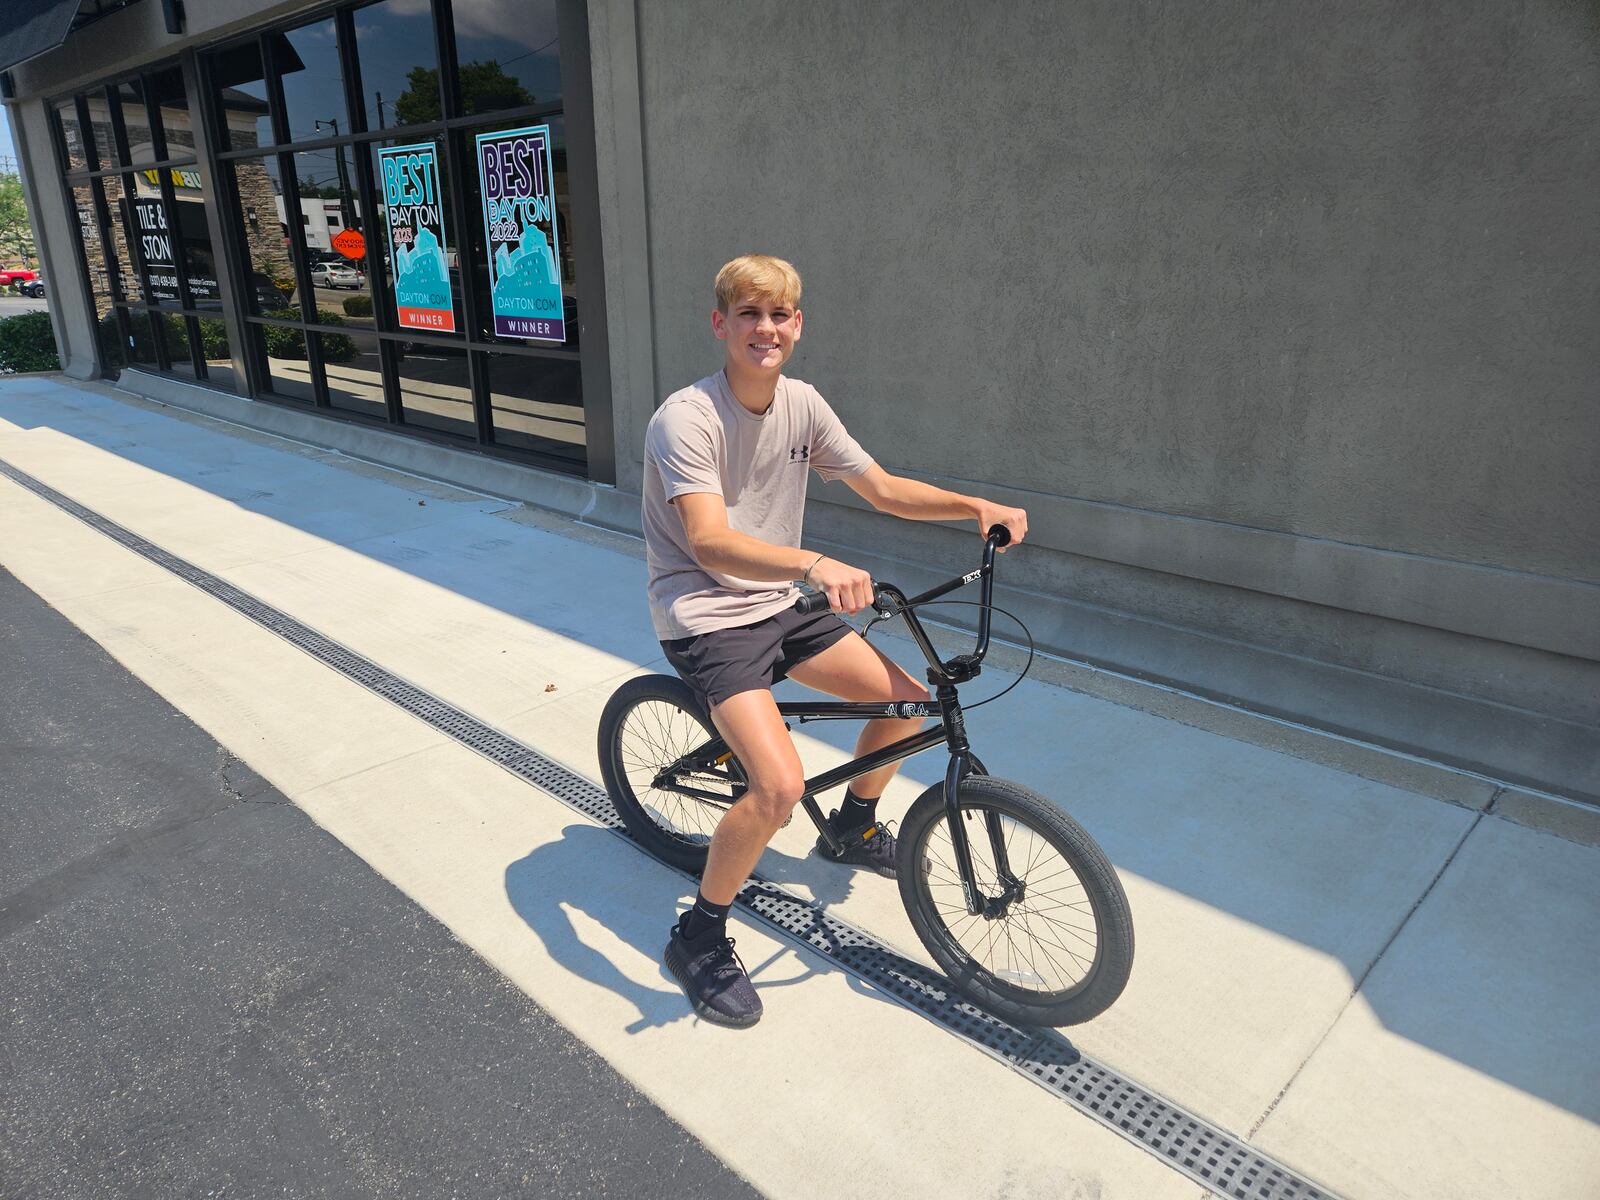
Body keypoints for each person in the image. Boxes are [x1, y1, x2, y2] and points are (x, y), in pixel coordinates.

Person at [643, 254, 1028, 1027]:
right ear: (720, 324)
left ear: (798, 325)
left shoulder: (803, 405)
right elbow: (711, 544)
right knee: (779, 788)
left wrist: (971, 505)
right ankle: (698, 932)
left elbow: (882, 489)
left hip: (781, 602)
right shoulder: (685, 418)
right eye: (748, 314)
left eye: (779, 314)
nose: (766, 328)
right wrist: (816, 562)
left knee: (910, 702)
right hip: (707, 615)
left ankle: (852, 824)